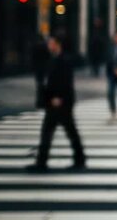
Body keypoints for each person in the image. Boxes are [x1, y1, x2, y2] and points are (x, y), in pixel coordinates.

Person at [26, 34, 86, 172]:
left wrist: (59, 98)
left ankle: (44, 162)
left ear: (57, 44)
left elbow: (66, 82)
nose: (49, 45)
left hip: (61, 102)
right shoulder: (55, 59)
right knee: (56, 131)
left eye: (51, 43)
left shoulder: (63, 60)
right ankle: (77, 159)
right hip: (55, 102)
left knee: (61, 131)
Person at [31, 34, 50, 108]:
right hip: (44, 68)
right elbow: (48, 57)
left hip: (37, 68)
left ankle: (39, 101)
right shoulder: (45, 46)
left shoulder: (35, 46)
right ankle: (42, 101)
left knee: (39, 84)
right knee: (43, 84)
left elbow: (33, 57)